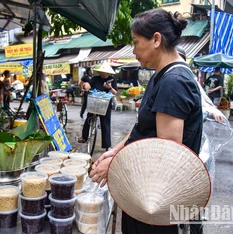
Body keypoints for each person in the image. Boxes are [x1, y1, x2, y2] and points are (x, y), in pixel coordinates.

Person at [90, 9, 203, 234]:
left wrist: (114, 165)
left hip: (158, 198)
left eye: (135, 42)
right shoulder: (160, 75)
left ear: (156, 39)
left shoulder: (174, 82)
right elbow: (142, 129)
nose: (133, 51)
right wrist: (114, 151)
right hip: (144, 192)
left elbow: (165, 155)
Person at [78, 62, 117, 150]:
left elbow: (115, 92)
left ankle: (107, 145)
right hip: (94, 103)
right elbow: (88, 84)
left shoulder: (112, 80)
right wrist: (86, 85)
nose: (100, 73)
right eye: (99, 71)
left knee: (105, 124)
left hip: (105, 105)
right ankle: (84, 137)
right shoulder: (95, 79)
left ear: (106, 72)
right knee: (88, 119)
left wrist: (109, 88)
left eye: (102, 71)